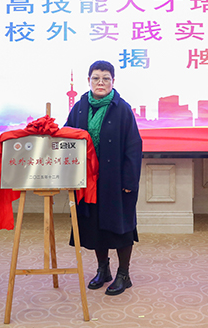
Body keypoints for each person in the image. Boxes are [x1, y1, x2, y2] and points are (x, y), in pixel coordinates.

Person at [65, 60, 143, 296]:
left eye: (106, 78)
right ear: (88, 80)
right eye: (96, 78)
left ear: (113, 81)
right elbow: (67, 136)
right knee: (96, 226)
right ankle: (103, 269)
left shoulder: (122, 108)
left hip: (116, 181)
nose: (101, 82)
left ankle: (124, 274)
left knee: (121, 228)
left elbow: (133, 146)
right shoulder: (80, 107)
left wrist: (130, 181)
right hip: (89, 181)